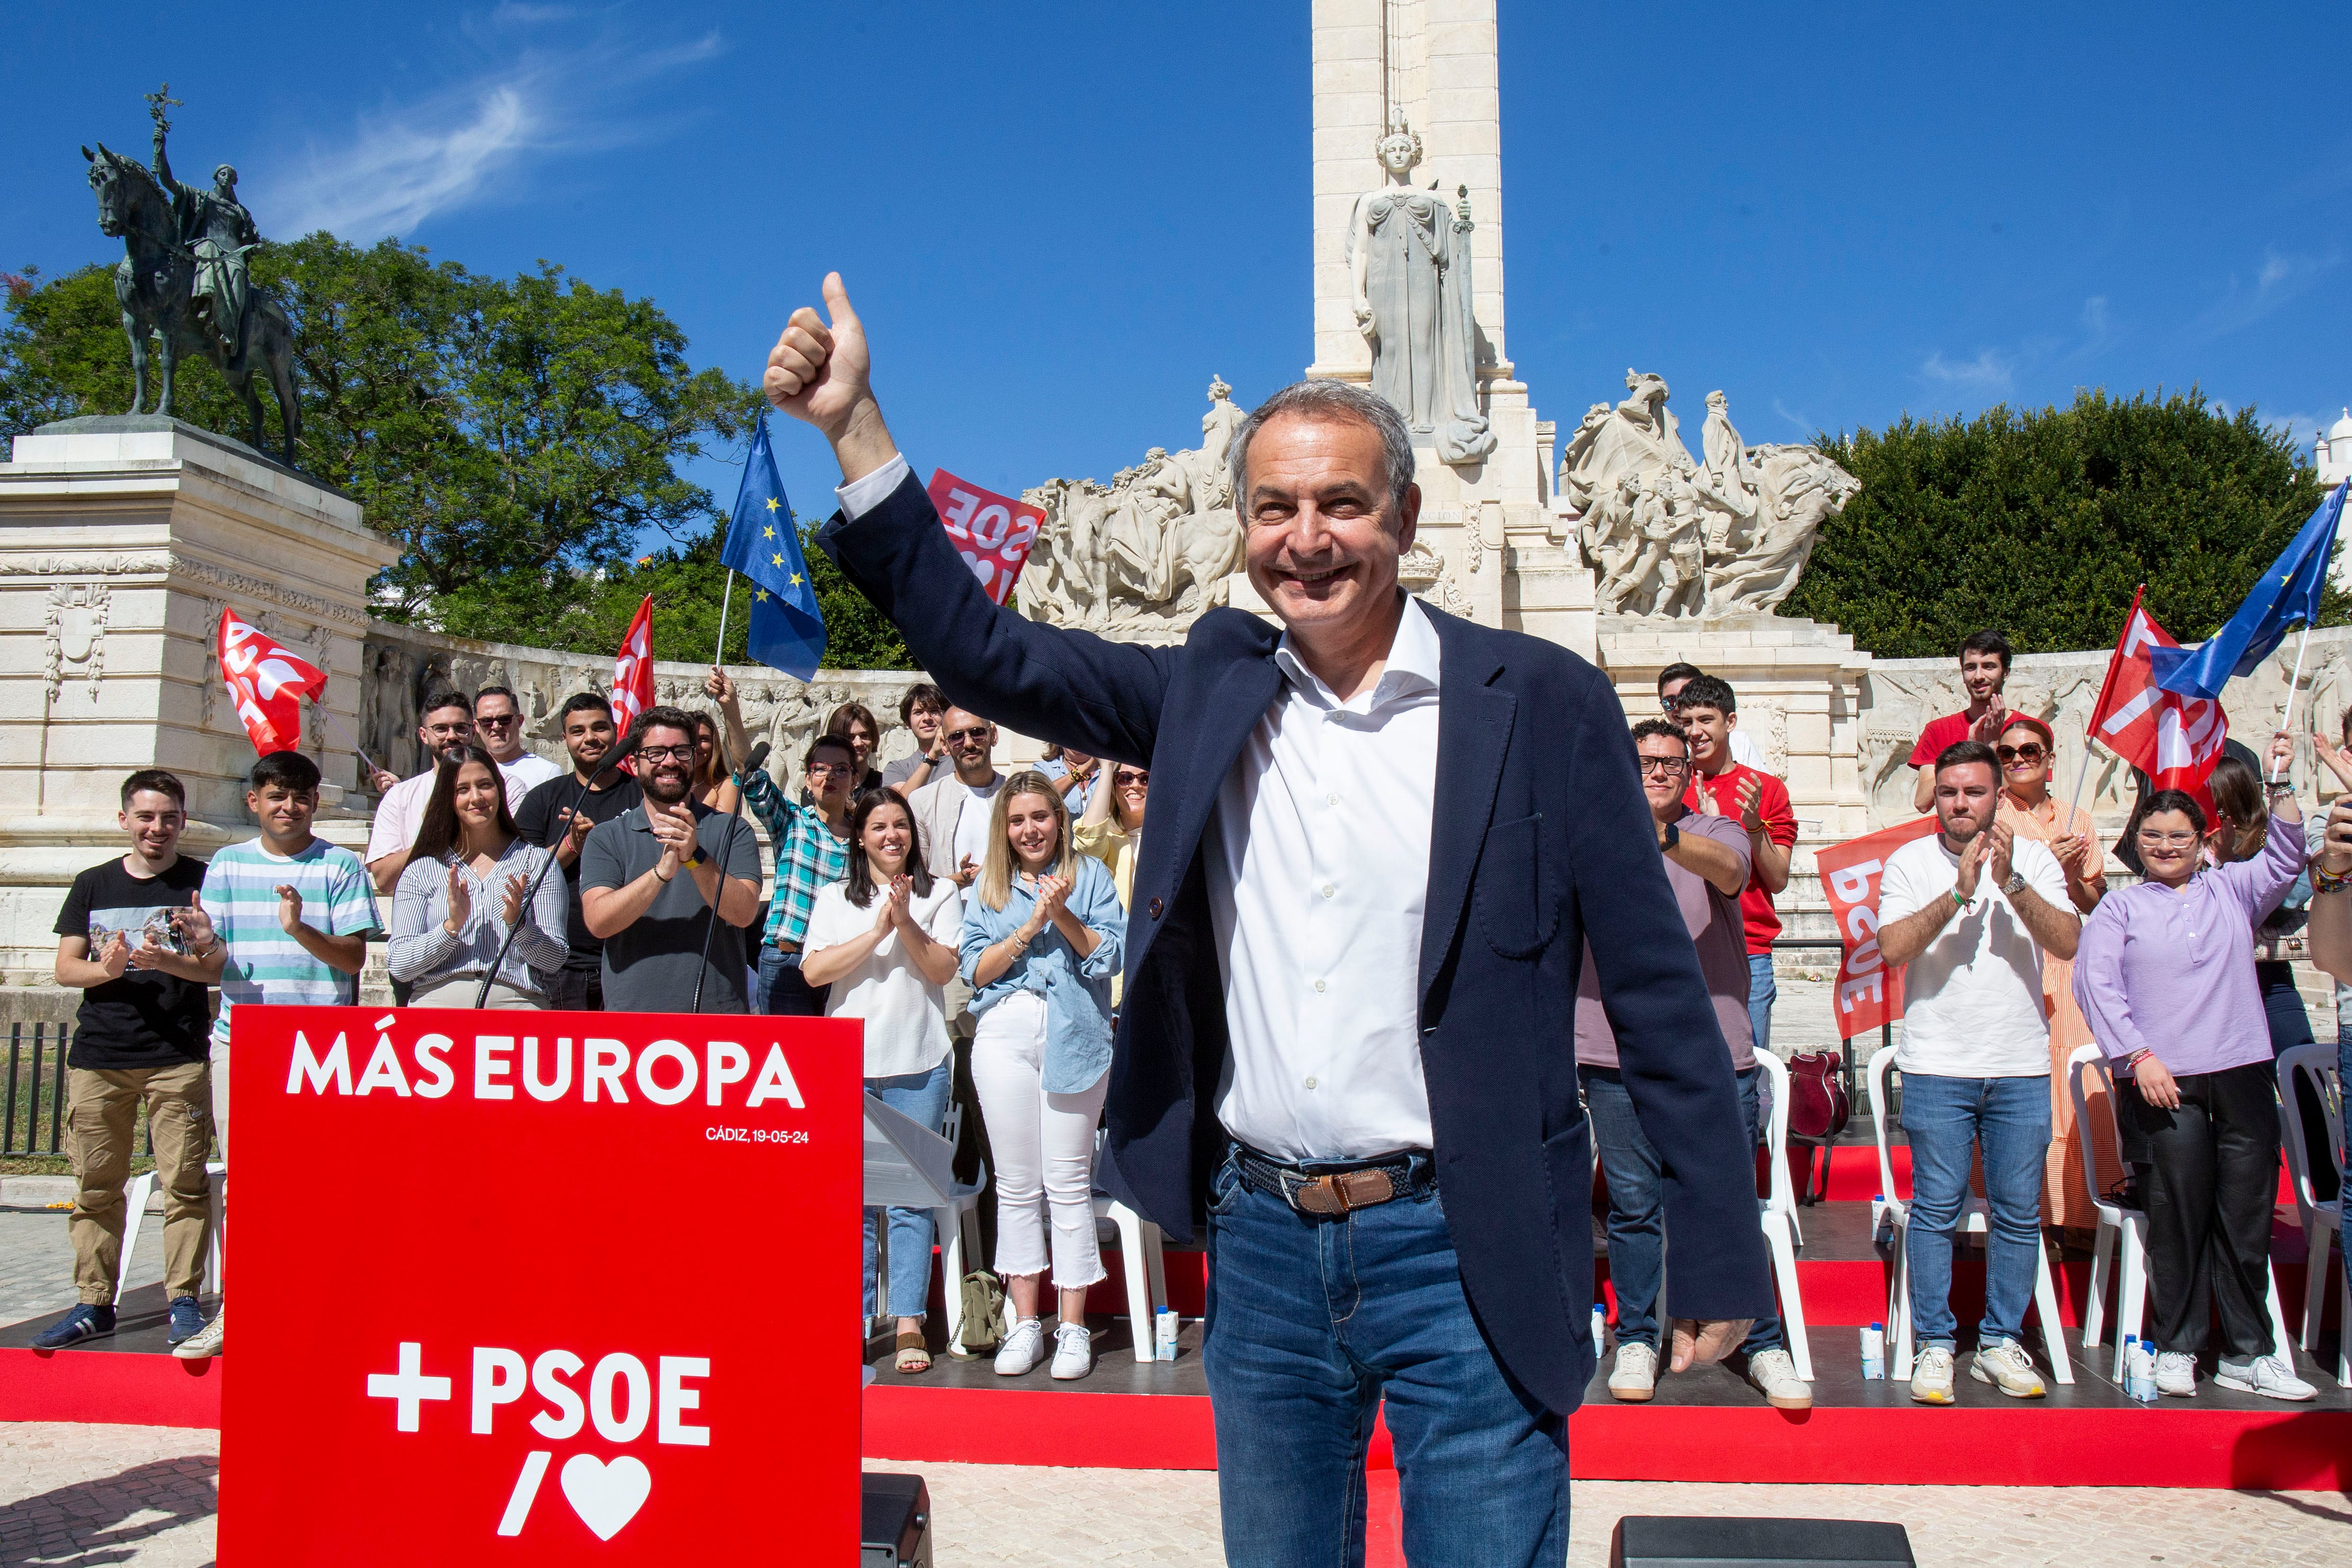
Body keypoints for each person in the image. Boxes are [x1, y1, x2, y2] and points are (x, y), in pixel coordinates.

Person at [767, 276, 1769, 1560]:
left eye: (1342, 504)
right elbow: (985, 654)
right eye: (1276, 507)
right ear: (1241, 525)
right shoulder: (1206, 690)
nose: (1308, 538)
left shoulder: (1543, 700)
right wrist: (855, 428)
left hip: (1467, 1246)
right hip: (1265, 1250)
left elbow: (1650, 983)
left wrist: (1717, 1245)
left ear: (1402, 516)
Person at [2073, 739, 2317, 1401]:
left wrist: (2283, 781)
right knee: (2176, 1214)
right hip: (2162, 1081)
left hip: (2239, 1072)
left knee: (2245, 1215)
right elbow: (2097, 987)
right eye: (2152, 835)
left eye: (2178, 835)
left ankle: (2248, 1350)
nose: (2164, 845)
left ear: (2205, 838)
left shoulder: (2234, 889)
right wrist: (2139, 1057)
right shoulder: (2120, 908)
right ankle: (2177, 1343)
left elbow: (2288, 855)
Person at [1587, 721, 1811, 1411]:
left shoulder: (1716, 828)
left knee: (1725, 1201)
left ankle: (1763, 1340)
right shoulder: (1586, 830)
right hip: (1613, 1047)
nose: (1657, 771)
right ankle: (1637, 1338)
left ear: (1691, 771)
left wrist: (1666, 838)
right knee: (1633, 1206)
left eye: (1670, 762)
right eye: (1643, 760)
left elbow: (1734, 872)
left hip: (1713, 1050)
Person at [1877, 739, 2081, 1403]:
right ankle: (1936, 1343)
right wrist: (1959, 892)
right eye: (1948, 792)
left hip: (2019, 1063)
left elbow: (2068, 941)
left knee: (2020, 1214)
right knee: (1936, 1209)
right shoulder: (1910, 861)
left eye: (1973, 791)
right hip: (1939, 1062)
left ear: (1999, 796)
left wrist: (2012, 880)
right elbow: (1892, 947)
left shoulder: (2037, 859)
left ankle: (1998, 1341)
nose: (1960, 803)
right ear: (1935, 796)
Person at [178, 748, 381, 1360]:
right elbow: (213, 965)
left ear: (315, 802)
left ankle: (323, 1306)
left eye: (299, 796)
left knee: (323, 1184)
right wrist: (204, 946)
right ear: (254, 802)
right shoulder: (227, 866)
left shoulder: (341, 866)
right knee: (246, 1185)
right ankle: (237, 1310)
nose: (288, 807)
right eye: (276, 796)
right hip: (242, 1043)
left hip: (323, 1050)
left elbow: (352, 959)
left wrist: (299, 929)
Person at [37, 771, 215, 1350]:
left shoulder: (201, 882)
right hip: (101, 1056)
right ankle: (94, 1301)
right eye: (145, 817)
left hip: (177, 1056)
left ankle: (184, 1300)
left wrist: (170, 962)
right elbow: (67, 968)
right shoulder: (92, 883)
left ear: (182, 821)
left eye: (167, 817)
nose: (156, 828)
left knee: (184, 1185)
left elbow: (215, 969)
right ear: (125, 821)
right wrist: (107, 971)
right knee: (95, 1184)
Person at [958, 773, 1125, 1381]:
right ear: (1005, 827)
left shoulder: (1092, 877)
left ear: (1059, 818)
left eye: (1040, 817)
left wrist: (1063, 917)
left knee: (1067, 1183)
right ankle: (1027, 1321)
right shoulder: (989, 886)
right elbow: (974, 968)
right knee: (1015, 1185)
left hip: (1074, 1034)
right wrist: (1029, 926)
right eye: (1017, 819)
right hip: (1004, 1034)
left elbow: (1111, 954)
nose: (1030, 829)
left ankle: (1074, 1325)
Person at [801, 788, 965, 1374]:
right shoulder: (832, 897)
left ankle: (907, 1323)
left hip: (918, 1064)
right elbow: (815, 969)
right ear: (860, 837)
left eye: (900, 825)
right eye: (878, 826)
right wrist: (876, 931)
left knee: (907, 1200)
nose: (891, 835)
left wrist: (905, 922)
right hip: (847, 1066)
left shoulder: (940, 892)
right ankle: (852, 1318)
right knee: (850, 1203)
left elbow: (945, 968)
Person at [1990, 714, 2111, 1232]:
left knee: (2073, 1085)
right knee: (2025, 1091)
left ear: (2049, 759)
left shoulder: (2076, 818)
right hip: (2012, 960)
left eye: (2029, 751)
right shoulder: (1991, 815)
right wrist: (2041, 859)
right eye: (2007, 753)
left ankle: (2081, 1216)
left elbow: (2091, 898)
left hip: (2067, 965)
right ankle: (2021, 1217)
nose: (2018, 759)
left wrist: (2064, 871)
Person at [579, 707, 765, 1014]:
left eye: (680, 751)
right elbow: (599, 921)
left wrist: (695, 859)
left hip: (717, 1019)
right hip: (631, 1020)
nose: (669, 761)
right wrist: (658, 876)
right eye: (656, 753)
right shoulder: (606, 837)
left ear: (694, 758)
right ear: (635, 762)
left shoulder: (731, 829)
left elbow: (744, 913)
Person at [709, 670, 854, 1014]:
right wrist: (731, 709)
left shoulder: (867, 840)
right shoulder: (789, 822)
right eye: (820, 769)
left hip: (843, 965)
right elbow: (749, 769)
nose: (830, 776)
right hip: (787, 961)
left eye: (841, 770)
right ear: (807, 779)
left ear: (855, 778)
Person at [388, 747, 568, 1008]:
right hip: (437, 1007)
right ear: (447, 798)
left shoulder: (537, 863)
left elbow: (554, 960)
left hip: (517, 1004)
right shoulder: (423, 870)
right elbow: (400, 966)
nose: (476, 797)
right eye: (462, 789)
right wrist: (450, 928)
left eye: (485, 785)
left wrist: (520, 925)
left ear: (500, 790)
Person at [1675, 675, 1796, 1057]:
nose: (1695, 732)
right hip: (1682, 945)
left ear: (1730, 722)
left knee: (1747, 1073)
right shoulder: (1665, 782)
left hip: (1749, 949)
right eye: (1687, 721)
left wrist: (1751, 827)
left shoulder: (1766, 788)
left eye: (1706, 720)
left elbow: (1777, 880)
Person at [514, 693, 644, 1011]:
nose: (590, 738)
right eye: (578, 731)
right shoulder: (542, 799)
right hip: (560, 965)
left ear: (616, 732)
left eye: (600, 728)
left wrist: (605, 845)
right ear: (565, 739)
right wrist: (571, 847)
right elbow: (517, 879)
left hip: (630, 959)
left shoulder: (644, 795)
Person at [365, 691, 479, 895]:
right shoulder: (399, 797)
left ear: (473, 731)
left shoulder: (508, 788)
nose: (451, 736)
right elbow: (384, 880)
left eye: (460, 728)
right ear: (424, 735)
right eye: (441, 729)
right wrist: (431, 837)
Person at [1908, 630, 2014, 813]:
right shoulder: (1937, 730)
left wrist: (1993, 746)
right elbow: (1922, 802)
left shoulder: (2028, 730)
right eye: (1971, 667)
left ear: (2005, 673)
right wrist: (1969, 752)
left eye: (1989, 667)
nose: (1978, 676)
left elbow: (2022, 800)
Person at [1656, 663, 1763, 769]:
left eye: (1688, 697)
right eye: (1670, 701)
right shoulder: (1655, 748)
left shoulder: (1740, 742)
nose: (1679, 707)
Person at [471, 685, 564, 797]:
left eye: (504, 719)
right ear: (476, 726)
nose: (496, 726)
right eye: (487, 721)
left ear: (520, 721)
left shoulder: (548, 773)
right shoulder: (467, 770)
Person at [881, 683, 950, 791]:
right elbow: (900, 802)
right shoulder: (897, 769)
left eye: (934, 711)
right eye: (919, 713)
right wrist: (932, 757)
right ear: (907, 723)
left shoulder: (962, 759)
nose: (927, 718)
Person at [826, 701, 888, 795]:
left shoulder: (884, 785)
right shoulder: (820, 788)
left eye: (864, 735)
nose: (859, 743)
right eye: (850, 737)